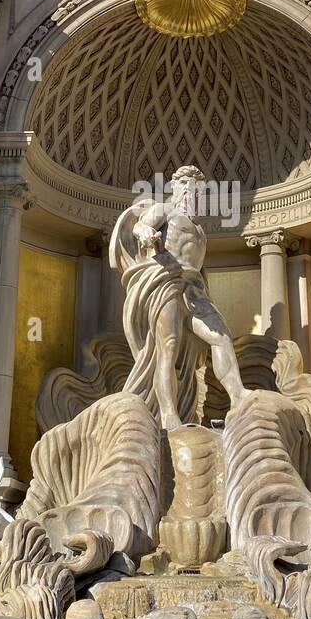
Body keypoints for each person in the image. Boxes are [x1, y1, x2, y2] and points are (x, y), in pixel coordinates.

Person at [109, 165, 249, 430]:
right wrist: (146, 233)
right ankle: (169, 415)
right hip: (167, 283)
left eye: (197, 189)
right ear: (177, 187)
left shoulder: (199, 229)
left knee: (220, 337)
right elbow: (140, 225)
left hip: (193, 290)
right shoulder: (165, 210)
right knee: (168, 349)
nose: (192, 193)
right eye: (187, 186)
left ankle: (239, 395)